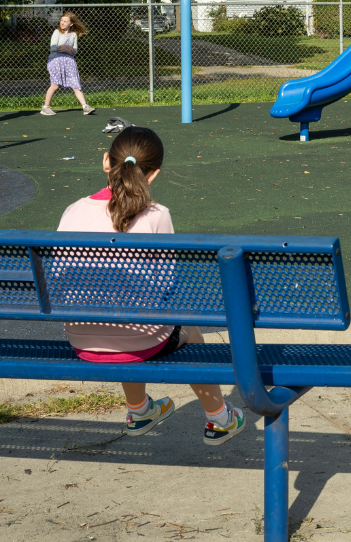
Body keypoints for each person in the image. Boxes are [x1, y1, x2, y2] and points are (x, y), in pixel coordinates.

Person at [56, 126, 247, 445]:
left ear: (106, 161)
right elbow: (166, 284)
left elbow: (61, 278)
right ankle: (219, 418)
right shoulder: (156, 215)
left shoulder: (73, 211)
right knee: (190, 331)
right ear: (154, 174)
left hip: (83, 338)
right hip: (142, 341)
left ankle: (140, 409)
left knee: (120, 316)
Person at [41, 10, 94, 117]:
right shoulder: (57, 32)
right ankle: (45, 107)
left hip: (69, 62)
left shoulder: (73, 34)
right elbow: (53, 47)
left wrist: (70, 50)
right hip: (55, 61)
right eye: (61, 20)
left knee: (75, 85)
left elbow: (75, 50)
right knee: (55, 85)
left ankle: (85, 107)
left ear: (71, 23)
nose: (62, 23)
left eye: (65, 21)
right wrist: (65, 48)